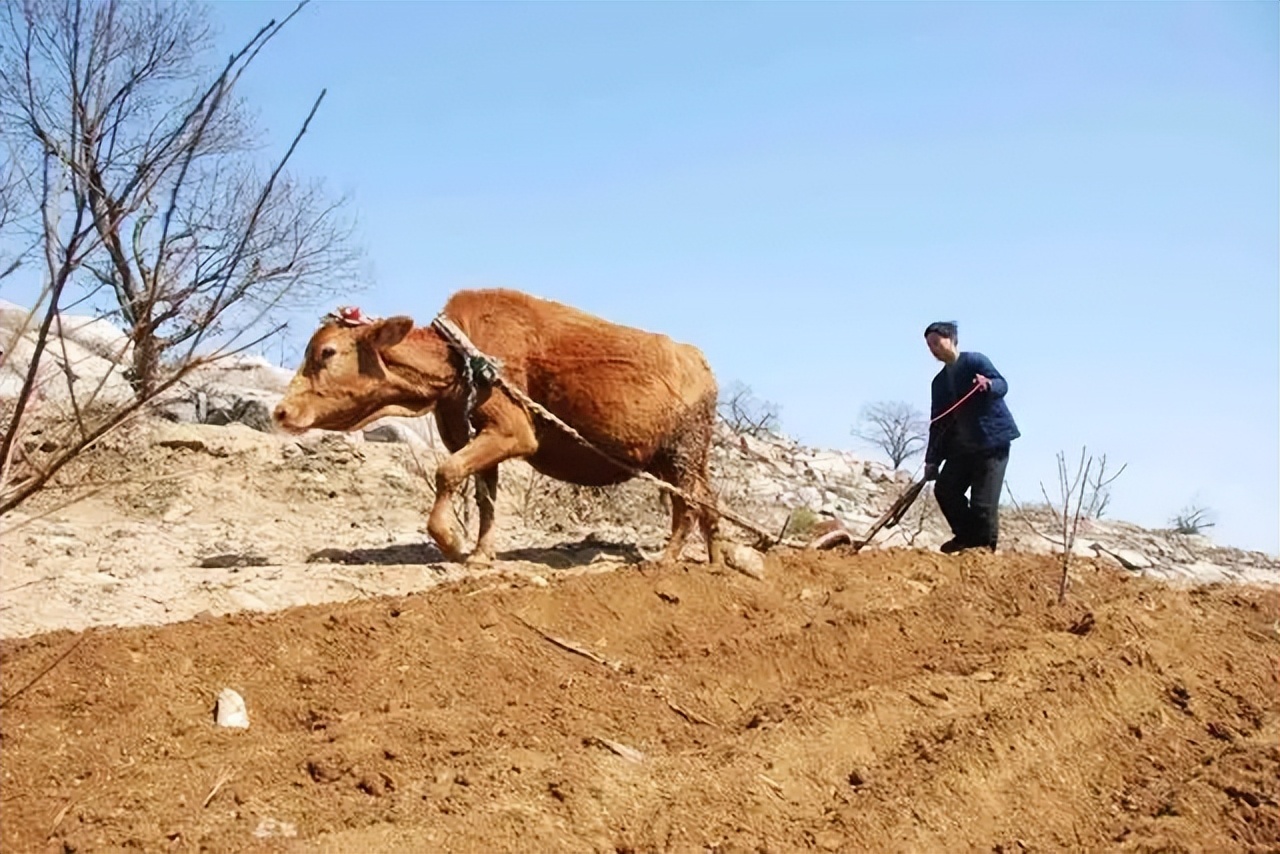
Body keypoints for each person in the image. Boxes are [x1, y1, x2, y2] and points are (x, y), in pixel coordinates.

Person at [921, 321, 1020, 553]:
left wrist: (989, 385)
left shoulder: (975, 361)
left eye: (936, 342)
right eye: (929, 345)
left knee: (982, 504)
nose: (933, 349)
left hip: (991, 444)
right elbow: (938, 422)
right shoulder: (939, 383)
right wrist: (932, 460)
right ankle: (966, 537)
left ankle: (984, 551)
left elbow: (1002, 384)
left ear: (951, 339)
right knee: (945, 490)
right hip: (962, 448)